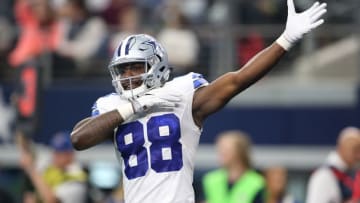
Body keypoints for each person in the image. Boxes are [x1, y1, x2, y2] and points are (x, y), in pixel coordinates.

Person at [70, 0, 327, 202]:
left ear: (156, 65)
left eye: (135, 67)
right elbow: (79, 139)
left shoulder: (180, 95)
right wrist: (134, 107)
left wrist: (285, 40)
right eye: (123, 69)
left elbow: (237, 81)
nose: (128, 76)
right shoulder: (113, 105)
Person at [19, 132, 87, 203]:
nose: (55, 156)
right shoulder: (50, 168)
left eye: (59, 153)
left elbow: (52, 201)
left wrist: (31, 169)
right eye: (55, 151)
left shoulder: (77, 177)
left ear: (70, 154)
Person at [202, 131, 265, 203]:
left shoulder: (256, 183)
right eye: (220, 149)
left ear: (239, 152)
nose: (221, 153)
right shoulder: (210, 180)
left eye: (226, 149)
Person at [306, 127, 360, 203]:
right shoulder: (324, 175)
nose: (358, 155)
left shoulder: (351, 174)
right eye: (355, 149)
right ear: (342, 147)